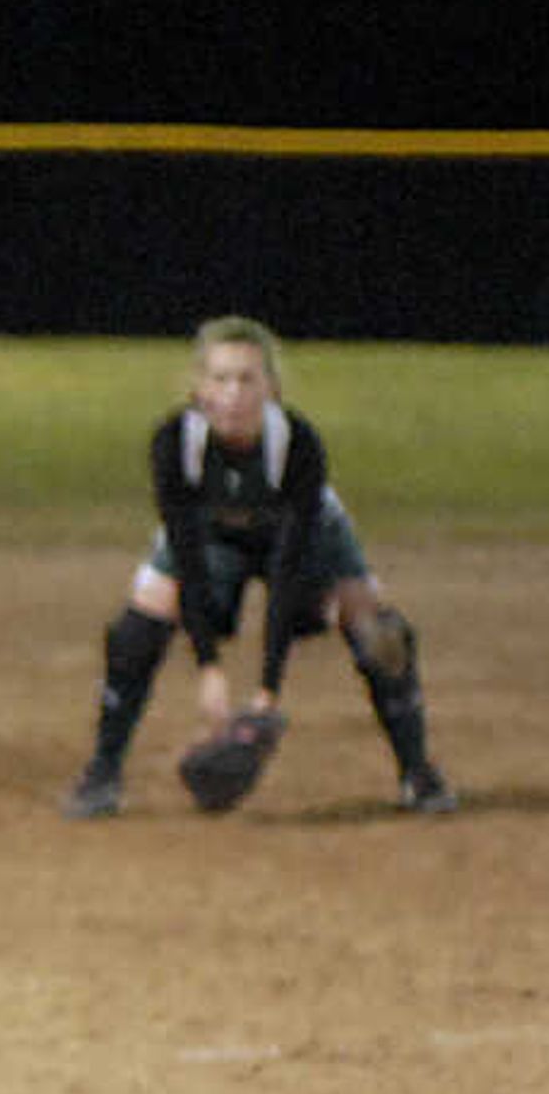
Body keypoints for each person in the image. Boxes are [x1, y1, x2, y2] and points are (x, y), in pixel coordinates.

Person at [62, 315, 455, 820]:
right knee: (136, 629)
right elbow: (185, 554)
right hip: (209, 540)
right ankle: (103, 773)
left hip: (308, 537)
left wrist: (267, 694)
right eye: (220, 379)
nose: (234, 394)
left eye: (248, 379)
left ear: (271, 388)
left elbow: (288, 569)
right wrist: (209, 669)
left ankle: (417, 774)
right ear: (199, 388)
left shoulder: (296, 445)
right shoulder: (175, 444)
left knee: (380, 633)